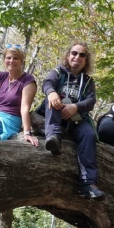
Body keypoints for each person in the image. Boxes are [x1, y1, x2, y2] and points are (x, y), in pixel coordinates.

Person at [42, 41, 104, 200]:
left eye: (82, 55)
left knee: (89, 135)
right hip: (55, 113)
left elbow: (91, 101)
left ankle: (88, 184)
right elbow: (48, 83)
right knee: (52, 99)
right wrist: (51, 92)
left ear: (86, 60)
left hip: (76, 119)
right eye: (74, 53)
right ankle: (53, 137)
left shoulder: (88, 81)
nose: (77, 57)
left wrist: (75, 107)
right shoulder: (58, 72)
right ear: (68, 55)